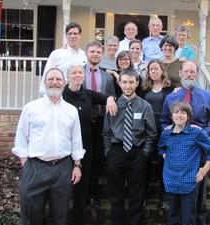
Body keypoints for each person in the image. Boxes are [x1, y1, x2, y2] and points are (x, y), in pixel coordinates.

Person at [12, 68, 85, 225]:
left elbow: (76, 140)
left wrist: (77, 165)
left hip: (63, 169)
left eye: (58, 79)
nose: (54, 82)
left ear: (64, 83)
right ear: (44, 82)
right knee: (32, 215)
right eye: (51, 79)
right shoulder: (31, 108)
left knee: (61, 216)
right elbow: (21, 138)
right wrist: (27, 165)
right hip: (35, 168)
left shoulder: (71, 111)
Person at [161, 60, 210, 225]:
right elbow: (164, 122)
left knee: (198, 196)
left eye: (192, 72)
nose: (189, 75)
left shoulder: (208, 97)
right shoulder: (171, 97)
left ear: (197, 74)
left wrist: (203, 133)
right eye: (186, 71)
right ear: (180, 73)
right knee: (175, 199)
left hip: (200, 151)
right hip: (177, 152)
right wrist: (167, 146)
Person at [62, 64, 117, 225]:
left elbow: (105, 96)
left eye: (80, 72)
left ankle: (79, 219)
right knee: (64, 187)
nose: (77, 75)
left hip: (84, 147)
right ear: (68, 76)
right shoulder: (61, 94)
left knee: (82, 187)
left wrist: (110, 99)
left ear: (83, 76)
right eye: (74, 72)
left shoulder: (88, 94)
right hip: (65, 148)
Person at [103, 68, 157, 225]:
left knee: (137, 193)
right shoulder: (112, 105)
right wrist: (108, 152)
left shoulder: (145, 106)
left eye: (131, 82)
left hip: (137, 153)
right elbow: (106, 132)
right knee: (115, 193)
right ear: (119, 83)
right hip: (116, 151)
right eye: (124, 82)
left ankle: (135, 222)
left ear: (137, 83)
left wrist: (145, 152)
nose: (128, 86)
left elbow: (151, 132)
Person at [158, 101, 210, 225]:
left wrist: (204, 169)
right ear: (171, 116)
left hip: (189, 180)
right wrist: (166, 156)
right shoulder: (166, 133)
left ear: (188, 117)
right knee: (173, 215)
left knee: (189, 217)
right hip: (171, 179)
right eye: (176, 112)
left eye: (183, 113)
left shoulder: (196, 133)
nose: (179, 115)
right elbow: (160, 147)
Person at [82, 40, 115, 209]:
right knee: (83, 158)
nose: (95, 54)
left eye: (98, 52)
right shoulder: (78, 73)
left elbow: (112, 99)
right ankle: (82, 193)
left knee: (97, 160)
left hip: (101, 122)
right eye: (92, 51)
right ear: (86, 53)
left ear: (101, 55)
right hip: (83, 122)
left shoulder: (107, 77)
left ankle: (94, 194)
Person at [141, 59, 173, 208]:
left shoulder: (170, 88)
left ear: (162, 71)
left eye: (156, 69)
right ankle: (143, 196)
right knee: (145, 164)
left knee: (163, 163)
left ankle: (164, 198)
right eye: (150, 69)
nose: (153, 71)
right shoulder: (144, 88)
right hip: (146, 130)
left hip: (163, 130)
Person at [39, 22, 87, 96]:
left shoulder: (85, 56)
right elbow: (47, 74)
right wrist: (45, 94)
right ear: (66, 35)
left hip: (79, 95)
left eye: (75, 33)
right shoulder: (57, 54)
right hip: (60, 95)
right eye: (70, 34)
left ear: (80, 35)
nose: (72, 36)